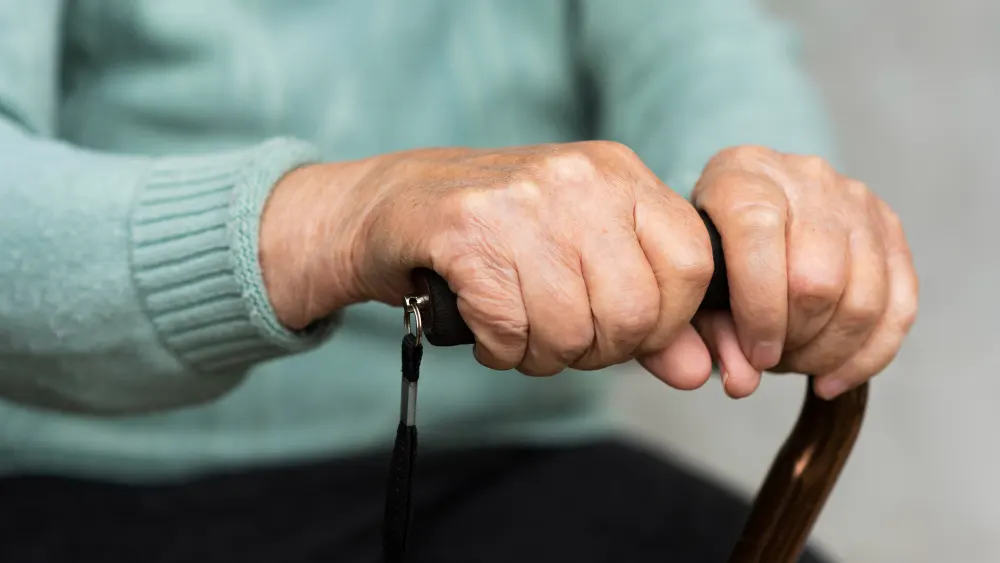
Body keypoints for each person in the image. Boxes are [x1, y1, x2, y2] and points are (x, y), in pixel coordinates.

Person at [0, 1, 918, 562]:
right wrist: (339, 218)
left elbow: (697, 47)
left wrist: (764, 201)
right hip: (67, 476)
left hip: (501, 468)